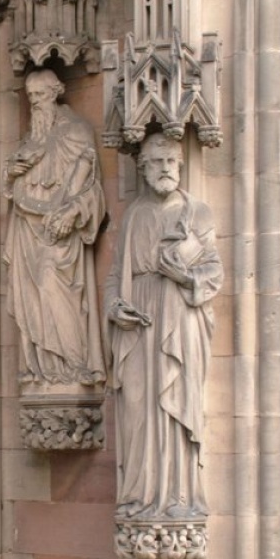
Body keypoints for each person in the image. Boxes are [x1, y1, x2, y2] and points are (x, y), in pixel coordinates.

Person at [105, 133, 223, 520]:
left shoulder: (196, 212)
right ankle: (140, 496)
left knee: (175, 407)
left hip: (180, 319)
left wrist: (186, 278)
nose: (165, 169)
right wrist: (114, 306)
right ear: (142, 168)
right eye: (156, 162)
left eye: (171, 161)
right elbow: (114, 275)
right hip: (139, 323)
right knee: (137, 408)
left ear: (181, 165)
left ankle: (179, 497)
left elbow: (214, 270)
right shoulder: (135, 213)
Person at [3, 69, 106, 386]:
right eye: (30, 97)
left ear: (56, 93)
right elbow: (17, 185)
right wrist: (11, 173)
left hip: (59, 236)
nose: (34, 103)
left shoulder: (77, 133)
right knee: (31, 300)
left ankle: (72, 365)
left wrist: (72, 212)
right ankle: (41, 368)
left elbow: (92, 190)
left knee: (52, 285)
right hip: (26, 234)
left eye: (40, 95)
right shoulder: (29, 140)